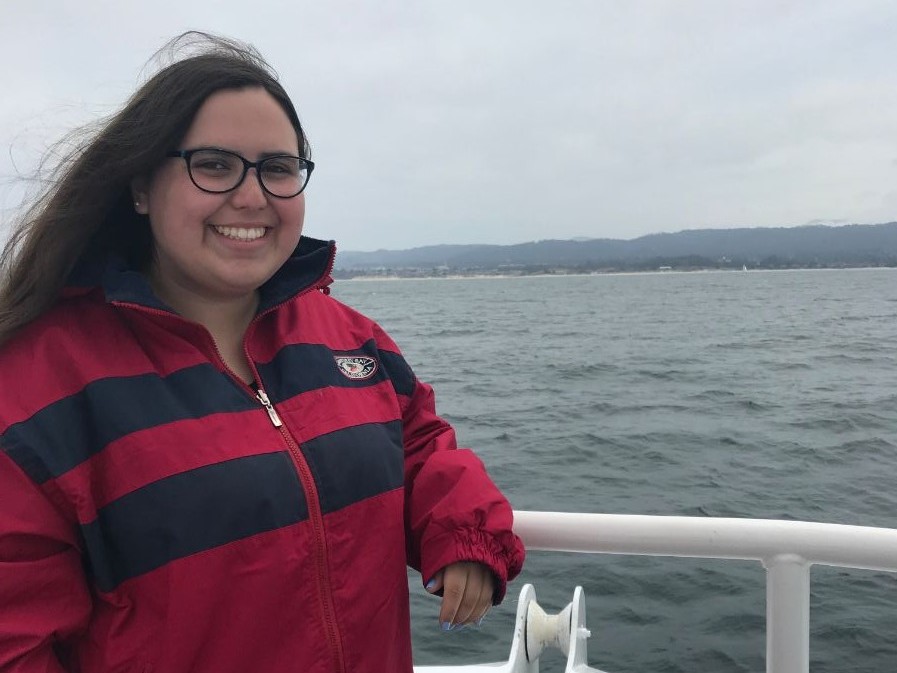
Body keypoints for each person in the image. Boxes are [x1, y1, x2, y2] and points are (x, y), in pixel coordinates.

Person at [0, 33, 525, 673]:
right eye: (215, 164)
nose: (252, 197)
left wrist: (462, 529)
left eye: (277, 168)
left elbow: (415, 443)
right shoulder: (38, 388)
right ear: (140, 186)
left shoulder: (348, 339)